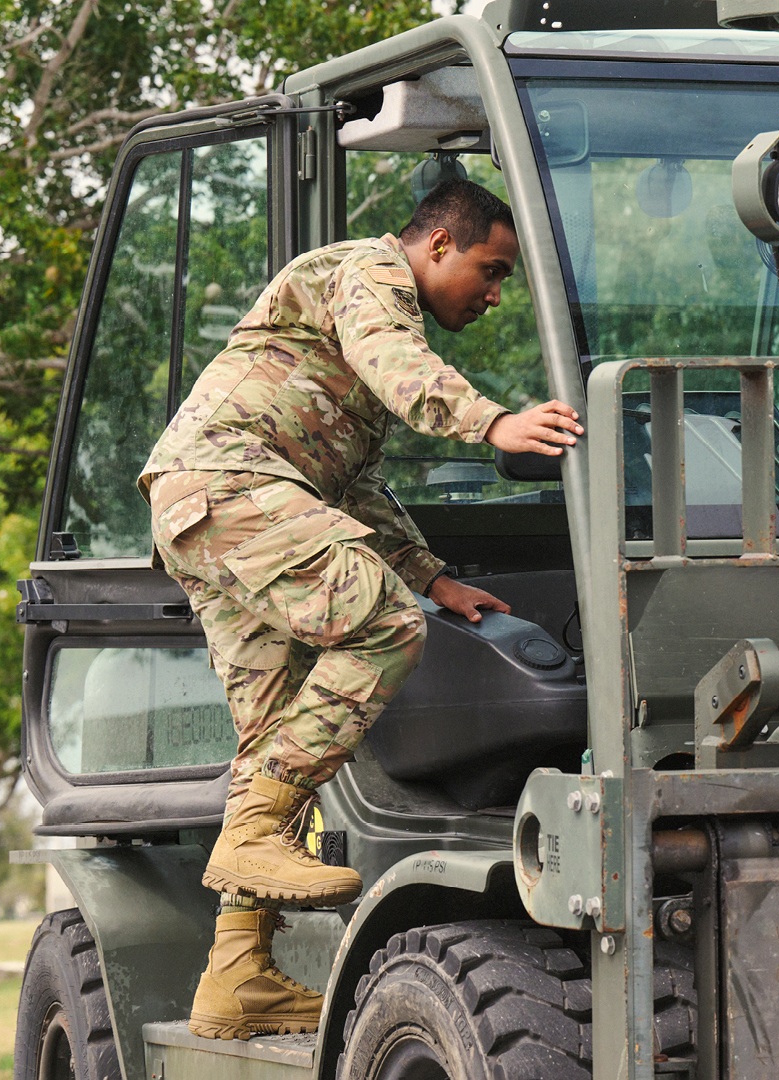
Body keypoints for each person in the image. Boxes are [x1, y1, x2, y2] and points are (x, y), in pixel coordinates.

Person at [137, 178, 581, 1040]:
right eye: (490, 272)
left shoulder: (347, 347)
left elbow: (355, 486)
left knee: (275, 738)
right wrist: (491, 422)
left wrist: (437, 576)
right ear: (439, 245)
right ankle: (253, 839)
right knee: (382, 624)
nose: (494, 297)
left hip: (213, 505)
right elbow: (395, 361)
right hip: (231, 485)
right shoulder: (366, 274)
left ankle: (236, 979)